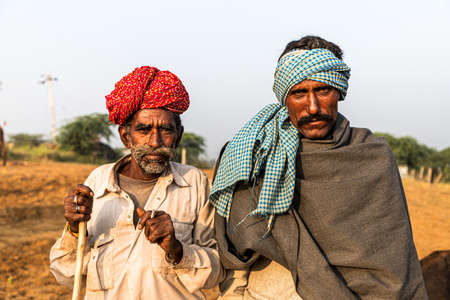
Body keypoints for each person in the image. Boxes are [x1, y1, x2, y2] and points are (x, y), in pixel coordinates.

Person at [210, 36, 428, 299]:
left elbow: (394, 263)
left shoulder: (372, 155)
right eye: (299, 93)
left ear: (340, 91)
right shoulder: (253, 154)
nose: (312, 107)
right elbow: (235, 264)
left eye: (323, 90)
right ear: (284, 98)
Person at [50, 66, 223, 299]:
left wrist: (177, 250)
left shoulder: (195, 184)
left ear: (178, 135)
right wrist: (73, 228)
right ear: (125, 136)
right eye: (143, 129)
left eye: (166, 130)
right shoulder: (97, 183)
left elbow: (218, 270)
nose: (155, 141)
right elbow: (65, 273)